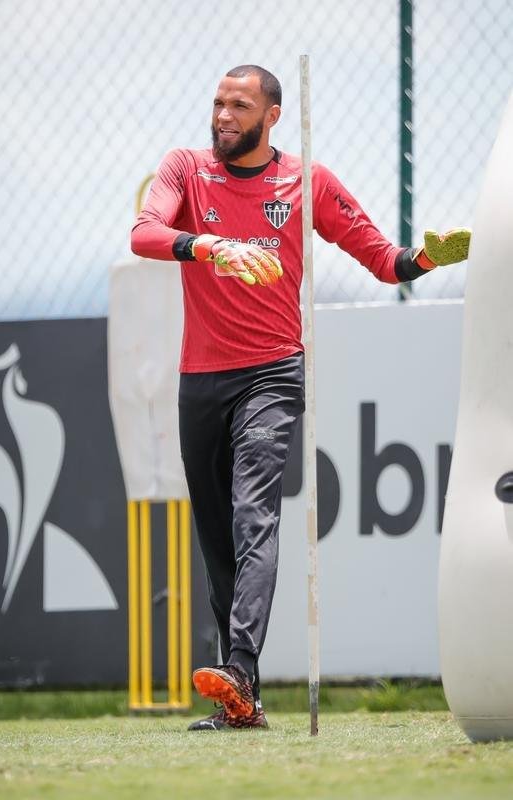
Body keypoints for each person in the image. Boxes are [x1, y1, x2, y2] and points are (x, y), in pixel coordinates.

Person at [131, 64, 470, 731]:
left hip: (272, 373)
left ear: (272, 116)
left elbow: (385, 260)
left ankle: (237, 666)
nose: (223, 116)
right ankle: (243, 702)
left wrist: (427, 259)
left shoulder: (305, 180)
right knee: (217, 540)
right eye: (218, 103)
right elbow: (143, 234)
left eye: (239, 105)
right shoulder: (185, 169)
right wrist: (208, 246)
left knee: (253, 515)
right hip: (199, 379)